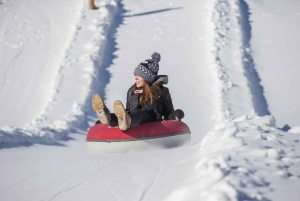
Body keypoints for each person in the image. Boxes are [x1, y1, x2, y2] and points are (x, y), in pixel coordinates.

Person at [92, 52, 184, 131]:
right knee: (125, 115)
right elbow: (126, 112)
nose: (135, 77)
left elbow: (168, 115)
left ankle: (126, 120)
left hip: (153, 123)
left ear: (148, 78)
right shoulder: (132, 90)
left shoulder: (162, 91)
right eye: (135, 74)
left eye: (139, 75)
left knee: (137, 113)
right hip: (132, 122)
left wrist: (175, 115)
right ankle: (107, 117)